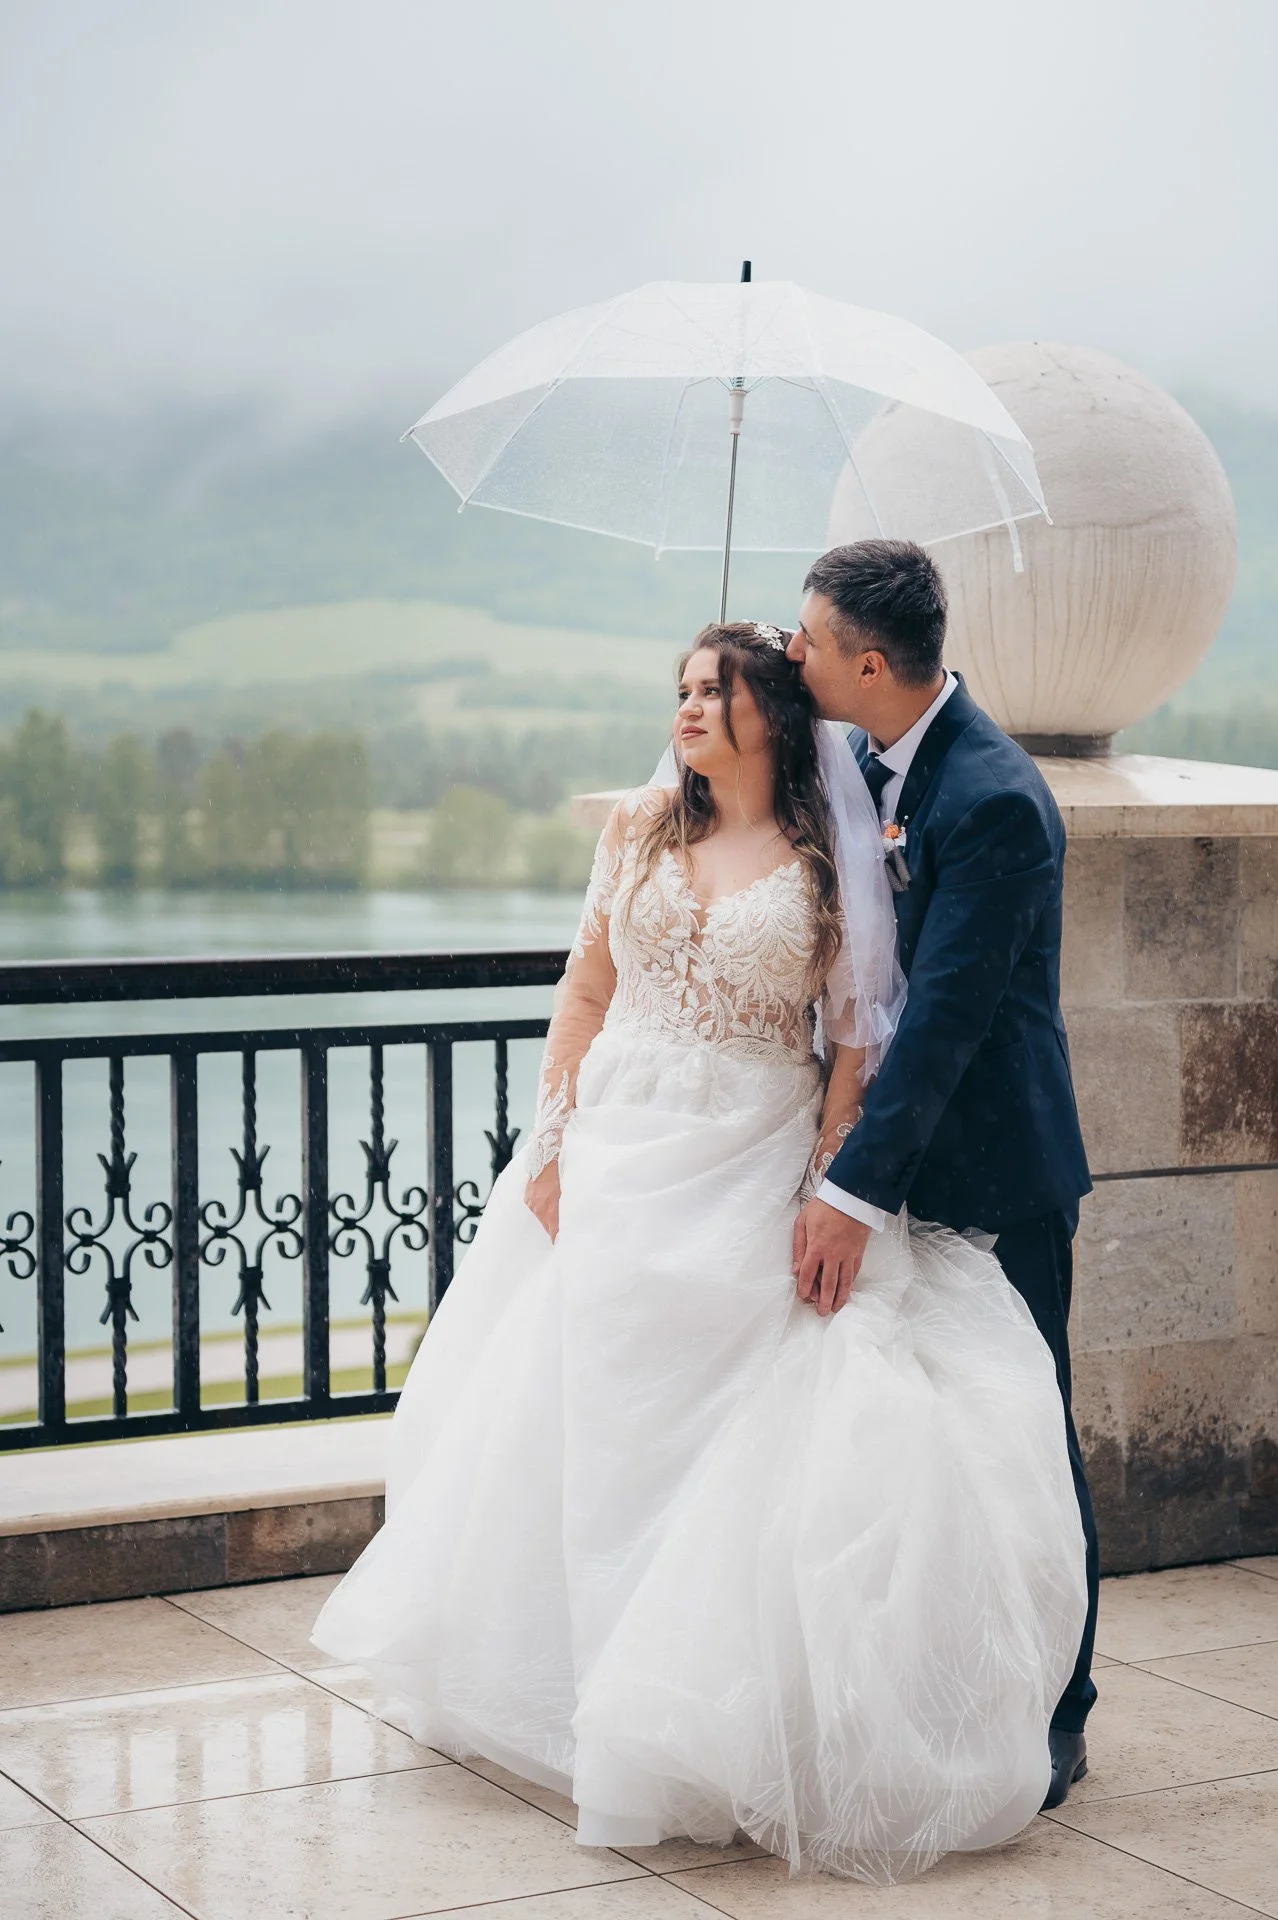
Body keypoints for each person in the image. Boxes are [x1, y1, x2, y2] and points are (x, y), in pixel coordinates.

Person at [312, 621, 1087, 1883]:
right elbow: (586, 990)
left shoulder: (831, 854)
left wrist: (831, 1174)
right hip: (615, 1155)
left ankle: (691, 1713)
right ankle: (569, 1683)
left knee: (720, 1425)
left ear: (772, 714)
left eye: (713, 691)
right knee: (580, 1414)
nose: (685, 709)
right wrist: (553, 1143)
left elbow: (856, 1040)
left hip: (745, 1157)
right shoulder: (639, 831)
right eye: (678, 690)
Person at [786, 540, 1098, 1809]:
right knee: (923, 1446)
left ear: (870, 661)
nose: (791, 650)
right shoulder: (863, 762)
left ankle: (1063, 1707)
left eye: (805, 638)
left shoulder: (997, 799)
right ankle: (947, 1685)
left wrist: (848, 1193)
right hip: (901, 1167)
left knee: (1027, 1430)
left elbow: (944, 1026)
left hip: (998, 1171)